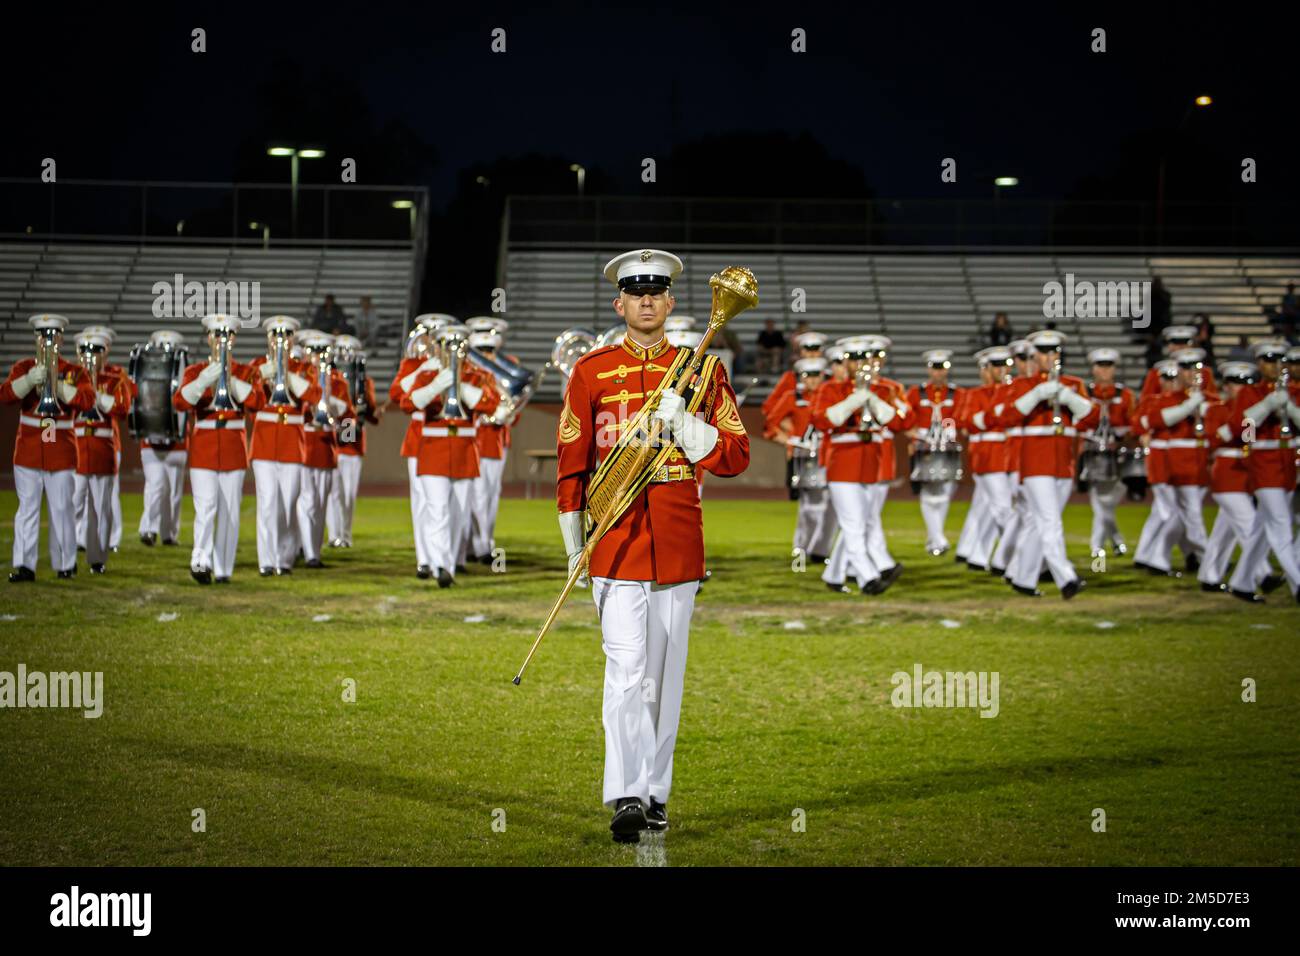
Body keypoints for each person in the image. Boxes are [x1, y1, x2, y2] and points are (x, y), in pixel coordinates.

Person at [555, 248, 749, 842]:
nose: (645, 300)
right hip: (614, 537)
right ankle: (625, 794)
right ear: (620, 304)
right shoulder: (591, 370)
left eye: (656, 292)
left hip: (677, 536)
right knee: (625, 671)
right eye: (635, 293)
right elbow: (572, 464)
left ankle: (656, 793)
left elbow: (737, 457)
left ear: (670, 303)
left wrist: (687, 427)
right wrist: (573, 544)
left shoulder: (703, 372)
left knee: (664, 679)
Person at [992, 329, 1097, 599]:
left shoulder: (1073, 384)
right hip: (1036, 462)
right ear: (1034, 355)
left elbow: (1093, 419)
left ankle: (1022, 578)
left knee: (1040, 523)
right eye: (1044, 352)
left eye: (1054, 351)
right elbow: (1006, 417)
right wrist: (1037, 394)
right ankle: (1066, 578)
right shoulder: (1021, 385)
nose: (1050, 357)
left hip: (1064, 461)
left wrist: (1070, 398)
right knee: (1050, 521)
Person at [401, 325, 499, 587]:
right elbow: (406, 403)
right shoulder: (427, 374)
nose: (451, 350)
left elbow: (493, 404)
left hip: (466, 450)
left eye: (456, 345)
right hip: (433, 449)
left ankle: (450, 563)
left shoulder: (477, 375)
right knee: (438, 510)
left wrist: (462, 387)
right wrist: (436, 385)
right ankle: (440, 566)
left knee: (459, 512)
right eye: (445, 344)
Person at [2, 314, 95, 582]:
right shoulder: (24, 367)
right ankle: (24, 564)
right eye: (43, 336)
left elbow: (88, 401)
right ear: (36, 339)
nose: (48, 341)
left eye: (53, 336)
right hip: (30, 449)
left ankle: (65, 562)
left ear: (61, 339)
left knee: (62, 508)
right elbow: (6, 395)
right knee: (27, 509)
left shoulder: (75, 372)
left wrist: (61, 388)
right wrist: (30, 380)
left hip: (60, 450)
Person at [173, 314, 265, 584]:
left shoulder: (246, 372)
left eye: (226, 336)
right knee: (206, 508)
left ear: (233, 339)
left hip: (233, 445)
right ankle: (200, 560)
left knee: (230, 512)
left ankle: (224, 568)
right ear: (208, 338)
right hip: (204, 445)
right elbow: (179, 402)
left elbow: (258, 401)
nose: (220, 341)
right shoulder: (195, 371)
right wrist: (202, 382)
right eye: (216, 335)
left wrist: (232, 381)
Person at [811, 336, 905, 594]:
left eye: (862, 359)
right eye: (852, 359)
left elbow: (896, 423)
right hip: (843, 461)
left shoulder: (882, 390)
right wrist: (855, 398)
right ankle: (868, 577)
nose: (857, 364)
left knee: (860, 522)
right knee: (853, 524)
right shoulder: (829, 389)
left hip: (871, 462)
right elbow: (821, 420)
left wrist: (870, 397)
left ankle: (834, 575)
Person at [1224, 340, 1300, 603]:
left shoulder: (1293, 391)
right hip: (1264, 463)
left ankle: (1242, 582)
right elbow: (1243, 431)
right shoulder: (1250, 393)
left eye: (1280, 360)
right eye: (1269, 360)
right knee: (1280, 525)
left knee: (1261, 529)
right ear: (1259, 363)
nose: (1275, 366)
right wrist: (1267, 406)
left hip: (1288, 463)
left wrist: (1289, 407)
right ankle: (1297, 582)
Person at [249, 316, 318, 576]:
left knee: (288, 504)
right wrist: (262, 375)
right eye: (277, 335)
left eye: (287, 335)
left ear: (293, 340)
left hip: (292, 442)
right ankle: (266, 561)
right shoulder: (257, 366)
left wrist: (286, 374)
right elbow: (249, 401)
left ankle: (284, 559)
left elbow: (314, 396)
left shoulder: (304, 368)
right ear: (268, 338)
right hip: (265, 441)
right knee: (267, 502)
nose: (282, 340)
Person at [390, 314, 456, 578]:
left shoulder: (454, 363)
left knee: (444, 503)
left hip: (447, 434)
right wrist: (422, 368)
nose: (432, 342)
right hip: (419, 435)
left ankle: (446, 558)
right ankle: (424, 559)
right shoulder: (414, 365)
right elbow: (397, 395)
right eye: (429, 335)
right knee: (421, 501)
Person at [71, 330, 131, 574]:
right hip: (74, 446)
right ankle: (70, 548)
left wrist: (97, 395)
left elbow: (123, 409)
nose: (91, 356)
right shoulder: (69, 377)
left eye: (97, 350)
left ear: (105, 352)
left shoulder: (115, 378)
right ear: (78, 353)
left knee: (101, 506)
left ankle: (98, 558)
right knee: (71, 503)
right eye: (86, 350)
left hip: (102, 445)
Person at [1197, 361, 1259, 592]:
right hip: (1227, 469)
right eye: (1235, 383)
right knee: (1249, 525)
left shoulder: (1252, 410)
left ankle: (1210, 576)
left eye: (1246, 383)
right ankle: (1261, 575)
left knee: (1226, 530)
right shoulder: (1217, 409)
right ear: (1226, 385)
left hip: (1246, 467)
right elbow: (1214, 438)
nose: (1241, 388)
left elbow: (1249, 439)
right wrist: (1241, 423)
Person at [769, 356, 836, 563]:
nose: (813, 381)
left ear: (824, 376)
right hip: (805, 457)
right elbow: (771, 425)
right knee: (809, 506)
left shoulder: (833, 394)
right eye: (808, 376)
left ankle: (820, 550)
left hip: (831, 455)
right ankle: (801, 548)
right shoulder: (793, 396)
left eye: (817, 375)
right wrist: (791, 441)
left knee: (832, 506)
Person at [297, 331, 354, 569]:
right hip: (302, 443)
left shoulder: (339, 382)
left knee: (320, 505)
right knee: (306, 501)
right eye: (314, 351)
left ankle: (314, 551)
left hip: (327, 447)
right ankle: (306, 551)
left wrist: (345, 442)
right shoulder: (298, 376)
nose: (318, 357)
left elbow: (349, 415)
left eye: (323, 352)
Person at [954, 347, 1013, 570]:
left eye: (1003, 365)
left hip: (1011, 453)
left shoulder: (1012, 391)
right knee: (1001, 508)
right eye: (994, 366)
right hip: (989, 455)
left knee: (990, 507)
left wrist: (991, 417)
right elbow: (967, 422)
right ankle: (1010, 557)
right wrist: (996, 415)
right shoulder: (976, 394)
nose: (1000, 370)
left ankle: (978, 555)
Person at [904, 350, 961, 556]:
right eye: (935, 368)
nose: (938, 373)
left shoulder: (956, 393)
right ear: (929, 369)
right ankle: (937, 539)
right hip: (924, 448)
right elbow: (906, 421)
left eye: (942, 368)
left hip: (948, 448)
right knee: (929, 493)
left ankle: (935, 537)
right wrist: (915, 437)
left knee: (946, 492)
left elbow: (962, 418)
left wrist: (952, 429)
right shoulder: (915, 392)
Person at [1079, 348, 1136, 558]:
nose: (1104, 370)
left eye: (1108, 366)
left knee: (1106, 502)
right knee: (1100, 500)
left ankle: (1116, 539)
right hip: (1091, 452)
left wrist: (1120, 437)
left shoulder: (1125, 395)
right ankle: (1098, 547)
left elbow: (1134, 424)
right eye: (1100, 366)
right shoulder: (1084, 393)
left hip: (1119, 454)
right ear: (1093, 368)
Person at [465, 317, 512, 563]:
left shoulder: (506, 369)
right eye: (481, 350)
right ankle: (477, 546)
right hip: (472, 438)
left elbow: (513, 411)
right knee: (473, 496)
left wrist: (506, 414)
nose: (486, 354)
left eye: (490, 350)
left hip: (495, 440)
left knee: (489, 495)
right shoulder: (469, 371)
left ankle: (482, 542)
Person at [137, 329, 190, 547]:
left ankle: (169, 534)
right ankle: (148, 529)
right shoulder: (145, 370)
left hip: (177, 444)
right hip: (150, 441)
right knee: (155, 485)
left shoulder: (184, 373)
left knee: (174, 492)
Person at [327, 334, 379, 549]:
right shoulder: (329, 379)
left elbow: (372, 413)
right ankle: (334, 534)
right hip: (334, 442)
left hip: (354, 446)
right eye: (342, 351)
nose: (345, 356)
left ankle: (345, 534)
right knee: (334, 493)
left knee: (348, 494)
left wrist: (365, 406)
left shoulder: (364, 383)